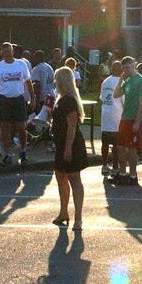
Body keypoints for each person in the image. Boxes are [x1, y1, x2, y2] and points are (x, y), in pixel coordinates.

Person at [51, 66, 88, 230]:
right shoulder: (61, 99)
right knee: (60, 178)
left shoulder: (70, 100)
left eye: (56, 79)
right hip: (60, 144)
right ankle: (63, 212)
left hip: (71, 145)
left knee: (74, 179)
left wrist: (68, 149)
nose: (54, 82)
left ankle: (78, 219)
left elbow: (72, 126)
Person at [0, 42, 35, 168]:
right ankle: (7, 155)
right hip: (4, 99)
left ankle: (23, 152)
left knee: (21, 126)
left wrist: (33, 98)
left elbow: (28, 82)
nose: (7, 54)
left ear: (12, 51)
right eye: (5, 52)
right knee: (5, 127)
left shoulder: (21, 64)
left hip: (18, 99)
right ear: (1, 53)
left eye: (9, 51)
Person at [112, 57, 142, 186]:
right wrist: (121, 79)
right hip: (125, 118)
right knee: (120, 146)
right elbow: (116, 94)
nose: (126, 70)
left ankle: (133, 175)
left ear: (133, 65)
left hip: (133, 118)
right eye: (124, 68)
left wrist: (137, 122)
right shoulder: (127, 80)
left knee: (131, 148)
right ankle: (122, 173)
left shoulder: (140, 81)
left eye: (128, 67)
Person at [99, 61, 123, 177]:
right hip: (117, 114)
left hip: (106, 114)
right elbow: (124, 100)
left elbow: (102, 98)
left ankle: (104, 165)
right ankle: (115, 167)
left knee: (105, 142)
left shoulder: (105, 81)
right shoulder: (121, 82)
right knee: (116, 143)